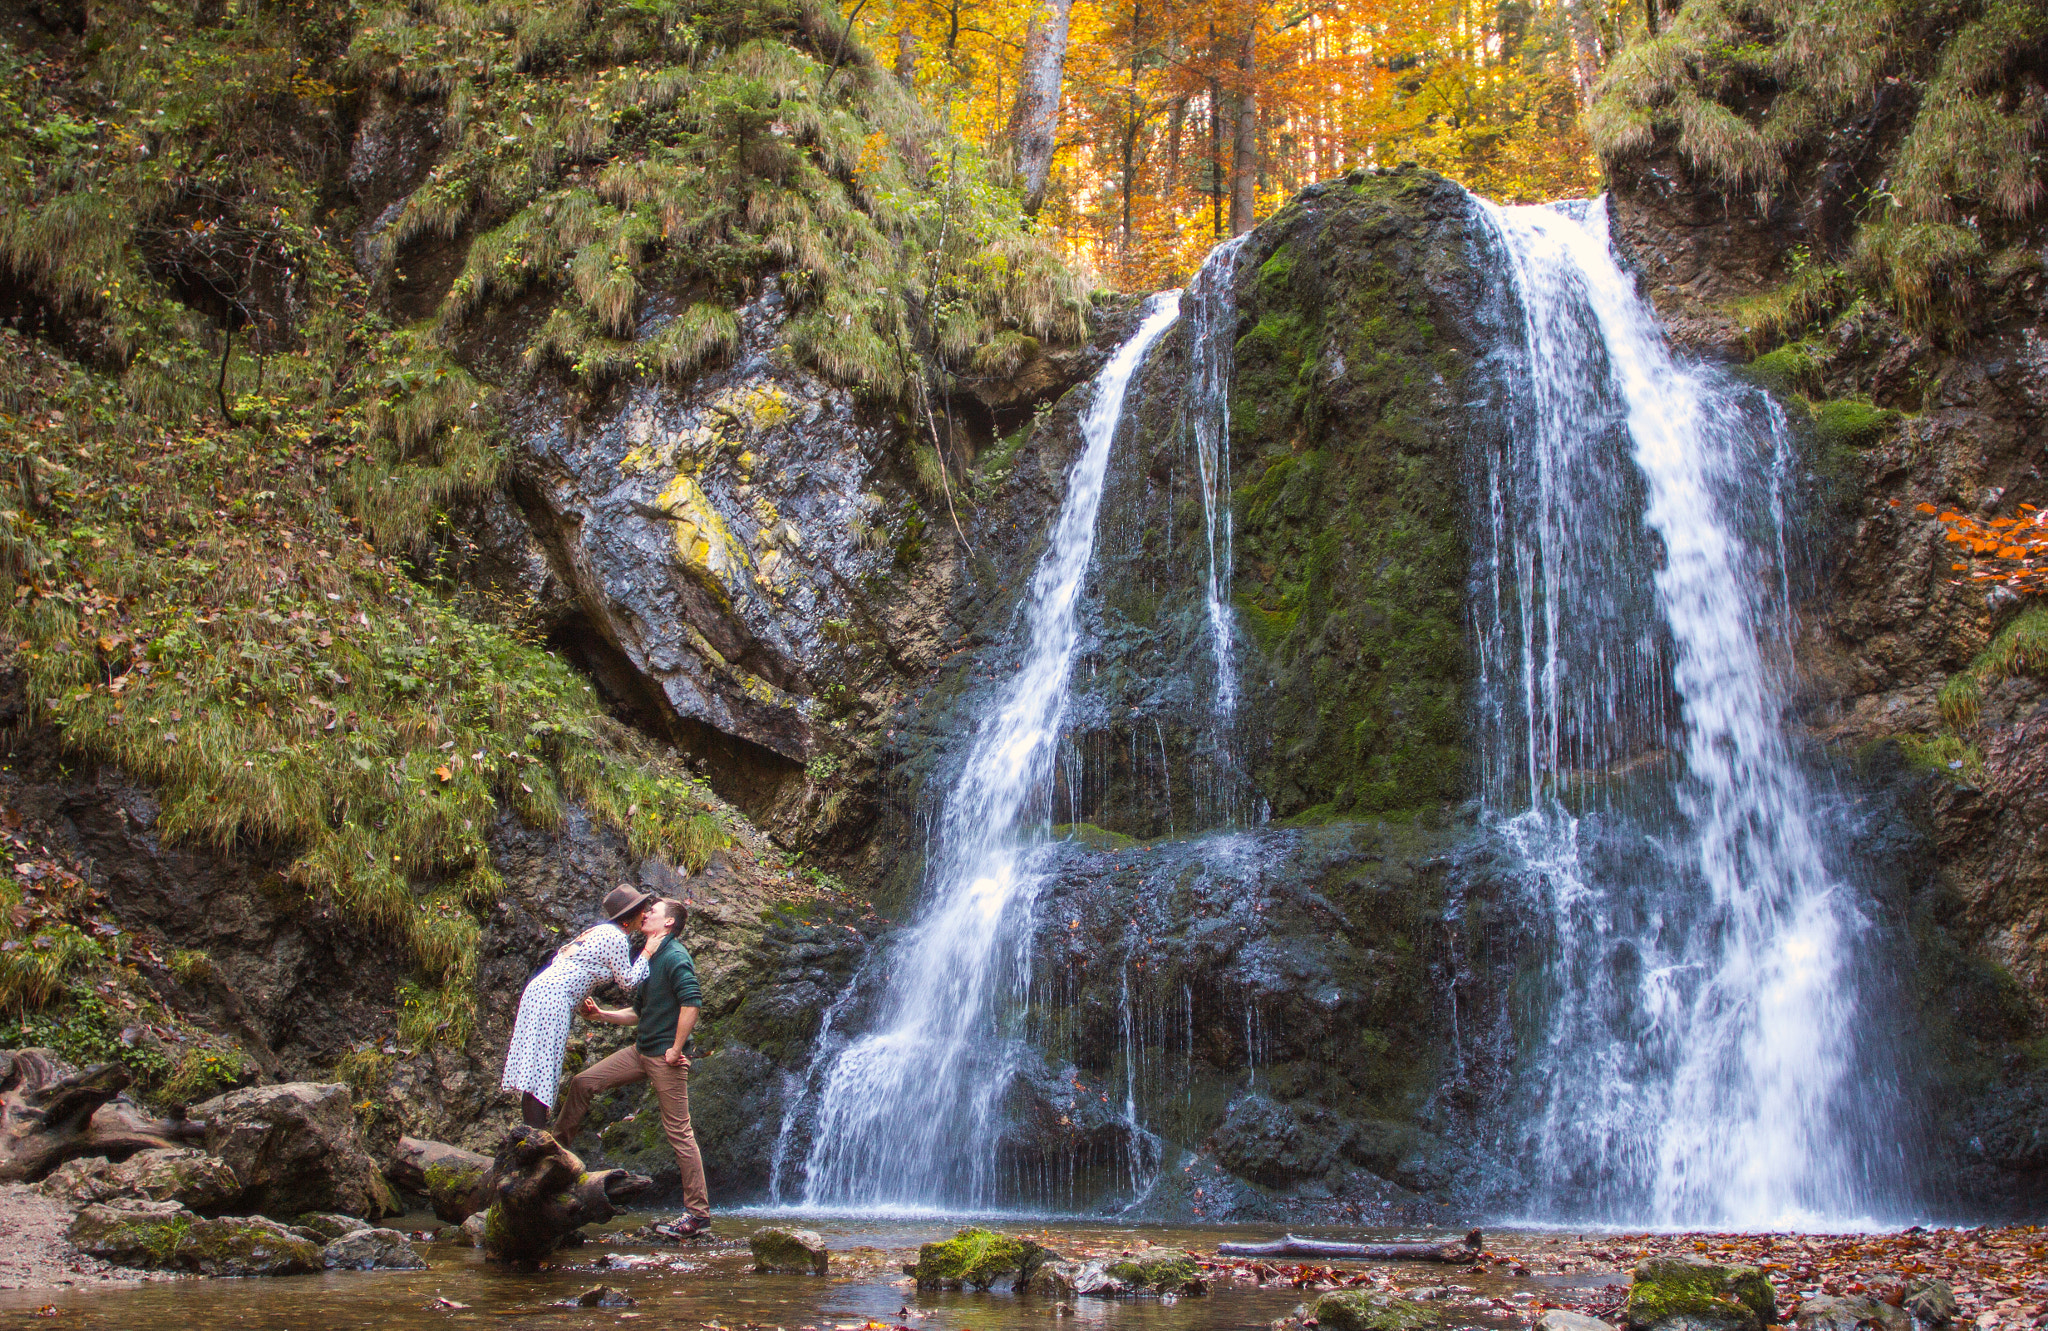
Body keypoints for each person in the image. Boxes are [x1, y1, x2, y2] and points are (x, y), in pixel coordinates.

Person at [551, 897, 711, 1235]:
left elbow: (692, 1003)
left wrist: (676, 1048)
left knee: (680, 1133)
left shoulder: (675, 956)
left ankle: (697, 1215)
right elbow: (638, 1012)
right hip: (641, 1051)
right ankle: (552, 1159)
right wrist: (602, 1015)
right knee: (583, 1083)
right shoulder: (650, 957)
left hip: (665, 1059)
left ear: (669, 923)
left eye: (654, 910)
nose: (647, 912)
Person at [501, 885, 662, 1130]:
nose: (647, 914)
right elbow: (628, 982)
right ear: (633, 914)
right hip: (553, 997)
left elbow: (565, 960)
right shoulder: (616, 937)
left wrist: (578, 998)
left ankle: (531, 1132)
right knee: (545, 1067)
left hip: (543, 991)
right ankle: (534, 1136)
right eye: (644, 910)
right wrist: (648, 952)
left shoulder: (599, 931)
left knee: (536, 1065)